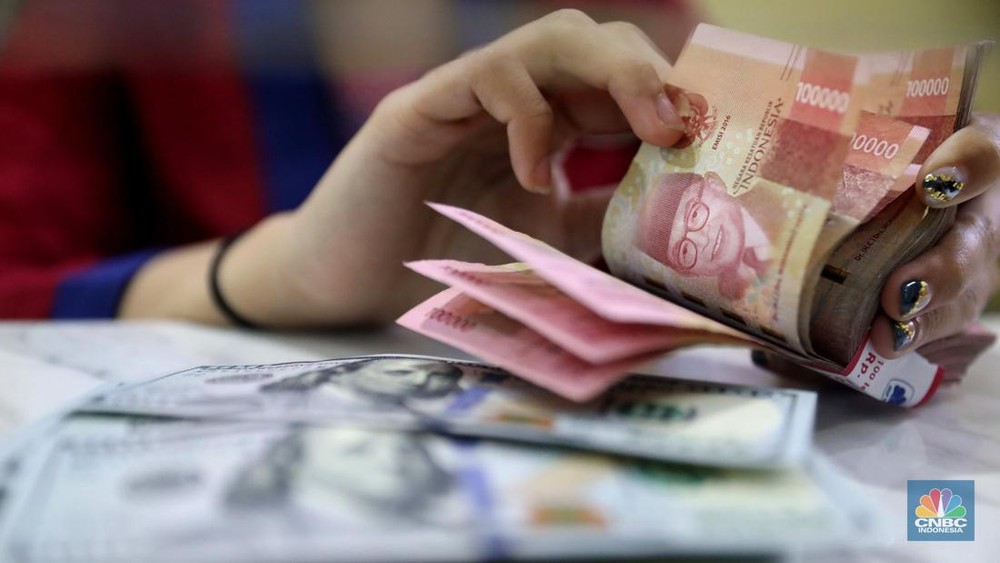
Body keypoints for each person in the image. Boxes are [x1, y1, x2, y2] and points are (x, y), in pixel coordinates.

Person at [1, 2, 997, 375]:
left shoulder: (623, 22)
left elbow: (731, 264)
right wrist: (281, 273)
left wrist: (878, 266)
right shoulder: (99, 26)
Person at [635, 171, 772, 299]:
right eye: (685, 251)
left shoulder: (775, 188)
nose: (703, 240)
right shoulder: (738, 298)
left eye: (695, 214)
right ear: (689, 273)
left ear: (714, 184)